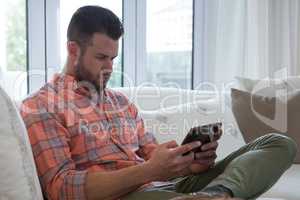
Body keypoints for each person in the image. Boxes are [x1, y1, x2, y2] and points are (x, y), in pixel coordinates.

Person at [20, 5, 297, 200]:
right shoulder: (43, 106)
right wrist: (149, 171)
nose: (109, 68)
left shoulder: (122, 104)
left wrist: (190, 162)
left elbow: (153, 155)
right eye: (102, 58)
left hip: (166, 184)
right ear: (73, 49)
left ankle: (215, 194)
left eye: (114, 59)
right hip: (127, 195)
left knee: (278, 142)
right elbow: (62, 188)